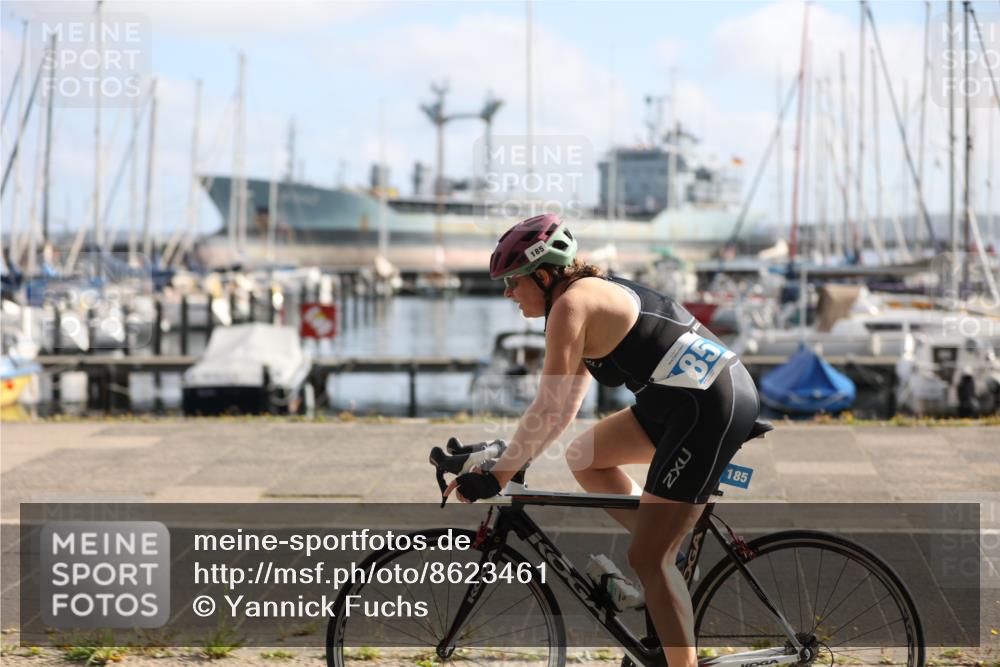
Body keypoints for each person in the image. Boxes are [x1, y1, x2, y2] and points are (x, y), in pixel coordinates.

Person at [444, 213, 760, 667]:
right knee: (585, 456)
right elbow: (562, 409)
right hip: (680, 402)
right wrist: (510, 459)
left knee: (647, 557)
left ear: (544, 276)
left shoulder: (571, 307)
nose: (508, 293)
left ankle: (661, 565)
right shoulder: (579, 299)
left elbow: (547, 406)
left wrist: (497, 477)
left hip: (707, 407)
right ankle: (666, 554)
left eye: (513, 281)